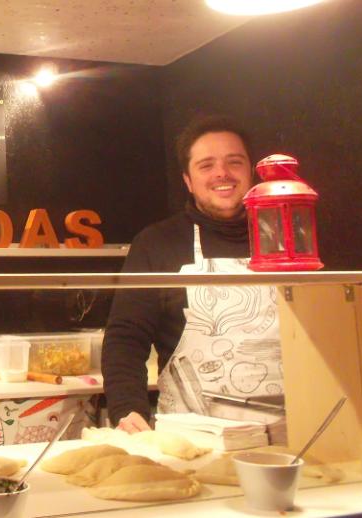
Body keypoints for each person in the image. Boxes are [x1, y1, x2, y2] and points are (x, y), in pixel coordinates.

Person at [102, 115, 284, 433]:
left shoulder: (286, 237)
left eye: (234, 162)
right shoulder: (158, 243)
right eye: (206, 165)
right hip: (193, 441)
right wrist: (128, 411)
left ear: (251, 172)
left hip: (293, 434)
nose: (222, 173)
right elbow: (126, 338)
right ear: (188, 180)